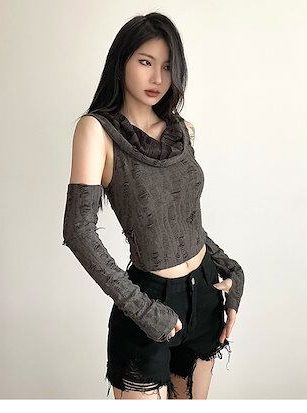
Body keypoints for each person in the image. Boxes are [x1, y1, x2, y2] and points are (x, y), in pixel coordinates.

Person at [62, 12, 244, 400]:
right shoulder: (96, 131)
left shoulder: (182, 130)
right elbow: (78, 231)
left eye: (167, 66)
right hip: (147, 302)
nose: (158, 78)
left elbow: (182, 220)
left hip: (206, 293)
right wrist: (143, 310)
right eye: (146, 62)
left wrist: (230, 267)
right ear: (121, 61)